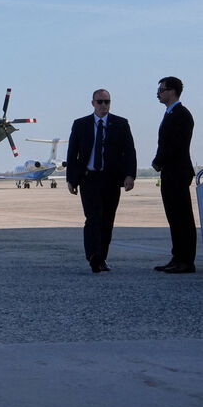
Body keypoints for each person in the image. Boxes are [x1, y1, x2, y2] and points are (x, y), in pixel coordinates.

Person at [67, 89, 137, 273]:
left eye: (107, 101)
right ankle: (93, 255)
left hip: (111, 179)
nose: (104, 105)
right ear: (93, 103)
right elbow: (72, 153)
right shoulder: (80, 124)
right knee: (93, 218)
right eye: (100, 102)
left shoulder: (121, 124)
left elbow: (129, 151)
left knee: (107, 220)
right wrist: (71, 180)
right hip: (89, 179)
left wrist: (130, 175)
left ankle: (101, 258)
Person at [152, 76, 196, 273]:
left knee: (182, 218)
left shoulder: (181, 115)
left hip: (177, 172)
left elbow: (175, 145)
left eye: (162, 90)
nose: (158, 94)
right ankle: (177, 256)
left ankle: (186, 260)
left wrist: (158, 161)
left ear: (172, 91)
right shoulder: (171, 114)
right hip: (170, 173)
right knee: (174, 217)